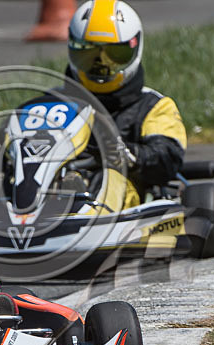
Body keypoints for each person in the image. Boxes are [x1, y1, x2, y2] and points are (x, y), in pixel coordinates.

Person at [66, 0, 187, 206]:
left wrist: (131, 154)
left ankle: (88, 215)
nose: (101, 66)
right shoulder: (54, 103)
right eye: (89, 53)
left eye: (115, 55)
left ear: (135, 48)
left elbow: (167, 157)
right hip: (53, 192)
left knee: (106, 178)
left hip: (126, 198)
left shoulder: (153, 106)